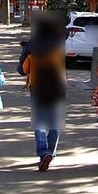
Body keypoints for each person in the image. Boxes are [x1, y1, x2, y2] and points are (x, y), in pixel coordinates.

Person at [20, 13, 67, 171]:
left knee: (39, 120)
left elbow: (21, 69)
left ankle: (43, 151)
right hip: (56, 85)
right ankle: (51, 152)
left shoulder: (31, 45)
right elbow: (65, 32)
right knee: (55, 121)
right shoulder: (58, 42)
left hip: (38, 86)